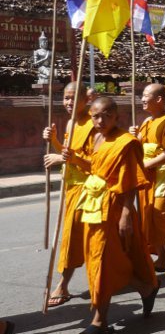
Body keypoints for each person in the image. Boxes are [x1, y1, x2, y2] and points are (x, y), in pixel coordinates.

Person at [70, 97, 158, 334]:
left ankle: (99, 321)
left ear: (116, 116)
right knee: (100, 259)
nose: (100, 121)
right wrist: (67, 154)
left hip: (115, 207)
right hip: (93, 205)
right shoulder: (93, 136)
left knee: (102, 260)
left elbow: (130, 179)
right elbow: (92, 166)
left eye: (106, 115)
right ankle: (145, 288)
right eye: (96, 116)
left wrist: (128, 213)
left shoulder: (125, 143)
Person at [42, 82, 94, 308]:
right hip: (72, 188)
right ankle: (142, 281)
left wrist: (62, 159)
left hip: (88, 190)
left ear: (86, 100)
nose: (69, 103)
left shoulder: (94, 123)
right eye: (66, 98)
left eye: (74, 98)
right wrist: (53, 140)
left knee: (72, 240)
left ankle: (62, 285)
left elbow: (98, 163)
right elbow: (67, 152)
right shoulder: (72, 122)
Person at [130, 84, 165, 271]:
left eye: (147, 96)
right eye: (142, 96)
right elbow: (139, 146)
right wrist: (133, 137)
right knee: (150, 217)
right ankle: (163, 257)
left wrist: (147, 164)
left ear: (159, 100)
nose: (143, 99)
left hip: (164, 175)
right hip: (148, 176)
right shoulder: (147, 122)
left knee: (161, 216)